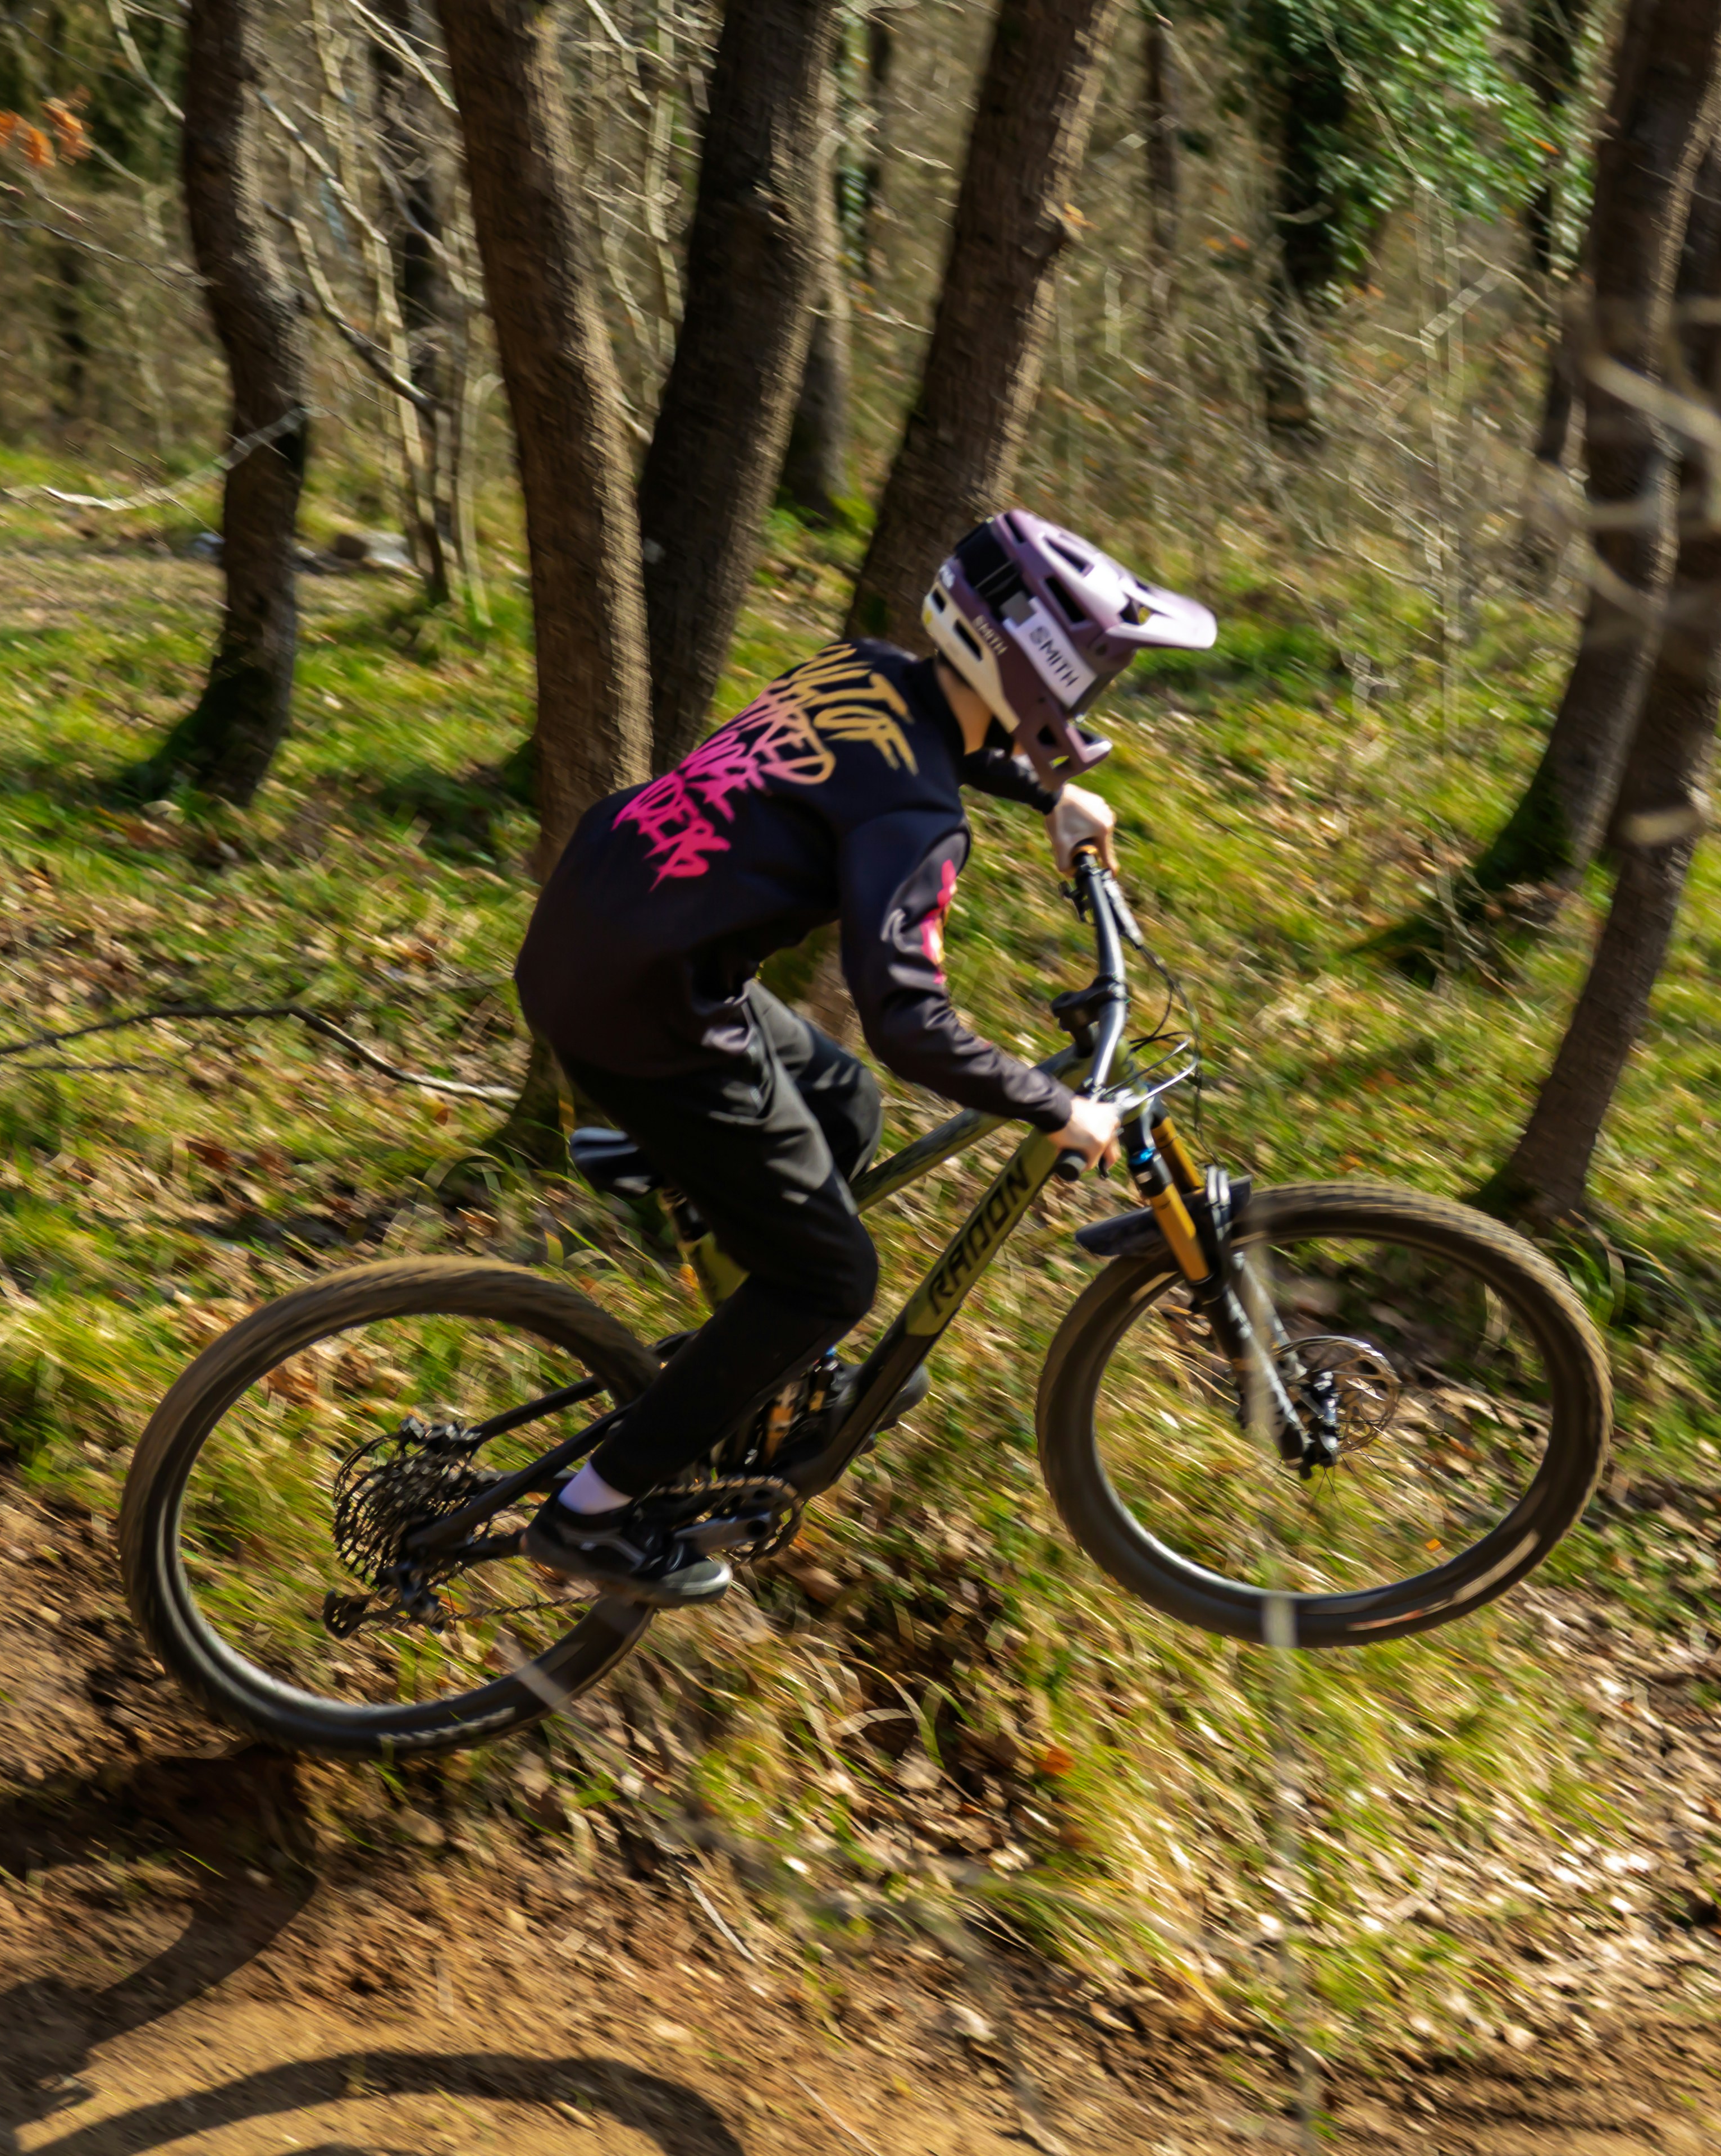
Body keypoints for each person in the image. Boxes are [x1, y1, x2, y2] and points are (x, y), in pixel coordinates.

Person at [511, 511, 1217, 1605]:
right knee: (834, 1279)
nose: (1090, 707)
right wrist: (1052, 1106)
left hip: (591, 934)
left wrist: (1049, 795)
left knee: (839, 1102)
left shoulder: (865, 670)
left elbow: (915, 742)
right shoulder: (917, 822)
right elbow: (907, 1020)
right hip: (653, 1015)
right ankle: (590, 1516)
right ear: (1038, 671)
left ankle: (708, 1256)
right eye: (1089, 681)